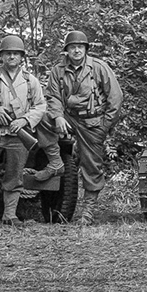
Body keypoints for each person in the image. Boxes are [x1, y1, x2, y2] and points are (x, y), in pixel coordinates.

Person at [0, 35, 48, 224]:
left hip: (18, 135)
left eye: (16, 53)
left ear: (21, 57)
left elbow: (40, 106)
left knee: (15, 175)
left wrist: (24, 120)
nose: (12, 57)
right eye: (8, 53)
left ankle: (10, 215)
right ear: (2, 56)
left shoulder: (30, 81)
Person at [45, 30, 123, 219]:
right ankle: (54, 160)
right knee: (41, 119)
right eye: (73, 47)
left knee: (91, 164)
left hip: (92, 121)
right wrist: (58, 117)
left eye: (80, 47)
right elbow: (53, 96)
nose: (77, 50)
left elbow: (116, 97)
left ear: (86, 49)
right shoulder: (58, 70)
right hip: (68, 117)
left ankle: (88, 209)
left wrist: (105, 125)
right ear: (67, 50)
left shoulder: (98, 67)